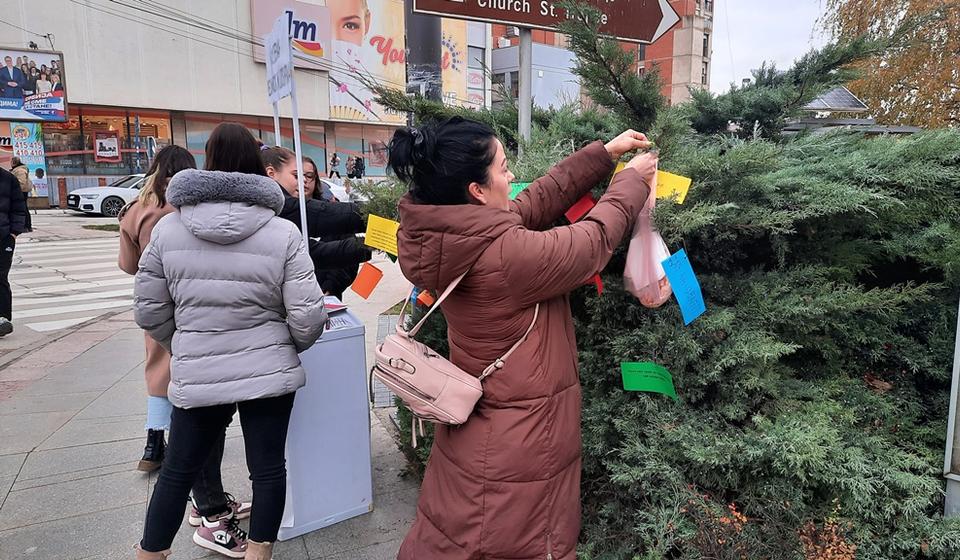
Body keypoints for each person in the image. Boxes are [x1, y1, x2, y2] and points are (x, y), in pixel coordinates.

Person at [389, 117, 656, 560]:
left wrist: (603, 155)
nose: (512, 178)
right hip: (519, 448)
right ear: (477, 190)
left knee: (463, 537)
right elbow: (591, 242)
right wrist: (630, 184)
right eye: (503, 168)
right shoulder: (505, 256)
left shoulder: (450, 233)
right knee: (521, 542)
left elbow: (534, 200)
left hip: (476, 433)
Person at [133, 123, 327, 560]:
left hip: (199, 369)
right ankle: (259, 553)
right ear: (257, 169)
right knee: (268, 470)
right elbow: (309, 315)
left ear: (208, 163)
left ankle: (151, 553)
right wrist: (285, 345)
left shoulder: (169, 230)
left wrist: (185, 342)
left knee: (178, 471)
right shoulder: (283, 233)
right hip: (268, 373)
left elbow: (148, 311)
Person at [119, 145, 252, 559]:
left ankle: (197, 500)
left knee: (179, 415)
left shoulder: (137, 211)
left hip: (169, 331)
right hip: (197, 334)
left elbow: (131, 272)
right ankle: (210, 514)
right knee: (196, 433)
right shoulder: (183, 219)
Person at [262, 146, 370, 300]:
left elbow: (333, 255)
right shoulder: (276, 213)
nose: (303, 180)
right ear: (271, 174)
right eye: (296, 175)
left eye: (309, 176)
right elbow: (317, 252)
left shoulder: (331, 212)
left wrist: (330, 288)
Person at [0, 167, 28, 337]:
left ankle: (2, 318)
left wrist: (13, 233)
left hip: (3, 237)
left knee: (0, 276)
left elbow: (19, 207)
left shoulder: (7, 179)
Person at [10, 157, 31, 232]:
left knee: (23, 209)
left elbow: (21, 182)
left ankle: (26, 226)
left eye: (11, 161)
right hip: (22, 191)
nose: (10, 163)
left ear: (14, 162)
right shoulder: (18, 169)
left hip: (21, 192)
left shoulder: (20, 170)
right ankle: (26, 226)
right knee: (23, 208)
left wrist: (16, 191)